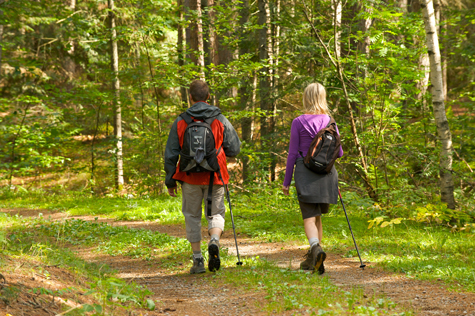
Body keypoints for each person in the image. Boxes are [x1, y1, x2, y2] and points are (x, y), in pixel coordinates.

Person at [164, 80, 241, 274]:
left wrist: (170, 180)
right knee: (216, 213)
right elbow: (235, 148)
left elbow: (171, 153)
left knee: (192, 215)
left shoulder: (181, 120)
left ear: (190, 97)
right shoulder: (219, 118)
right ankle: (214, 241)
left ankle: (198, 260)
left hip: (189, 176)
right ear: (208, 97)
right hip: (215, 175)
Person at [282, 82, 343, 275]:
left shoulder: (298, 122)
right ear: (323, 98)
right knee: (317, 217)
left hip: (305, 173)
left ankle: (315, 248)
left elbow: (292, 154)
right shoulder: (330, 121)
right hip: (327, 174)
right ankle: (314, 258)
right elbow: (339, 152)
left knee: (308, 217)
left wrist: (286, 182)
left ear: (306, 98)